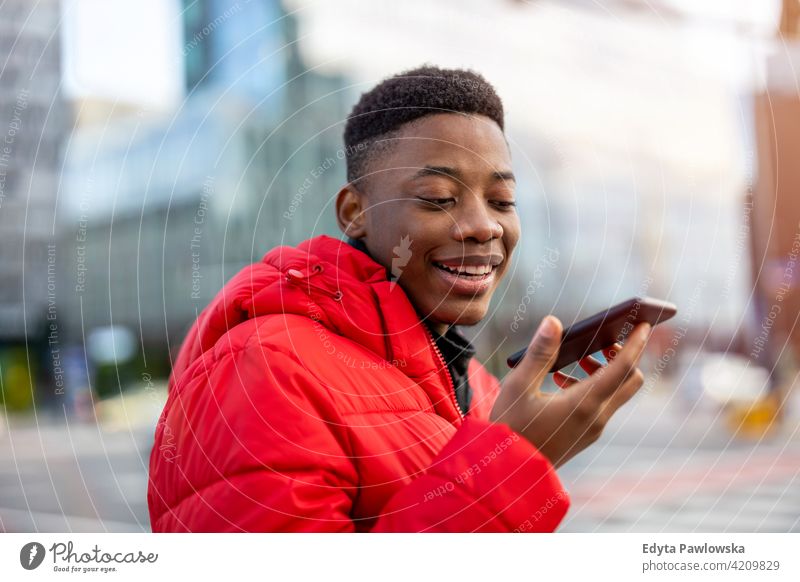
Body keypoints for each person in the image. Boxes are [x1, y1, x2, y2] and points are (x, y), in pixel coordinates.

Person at [147, 65, 650, 532]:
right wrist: (510, 462)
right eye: (437, 198)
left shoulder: (475, 384)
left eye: (502, 201)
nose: (484, 225)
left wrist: (518, 446)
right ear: (354, 213)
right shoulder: (265, 369)